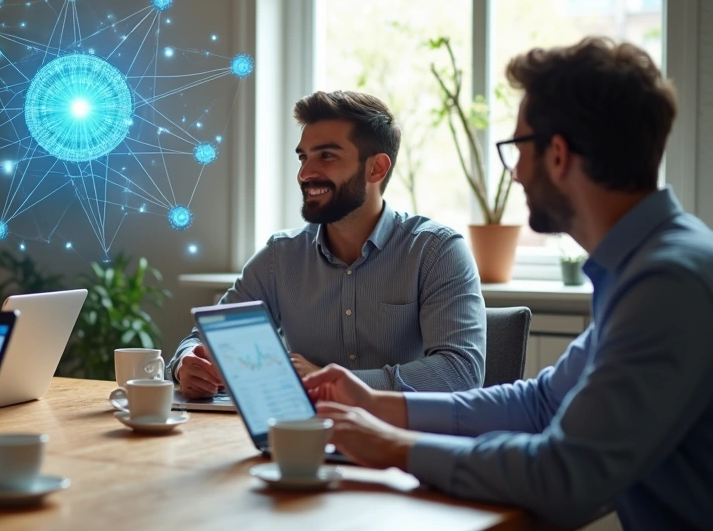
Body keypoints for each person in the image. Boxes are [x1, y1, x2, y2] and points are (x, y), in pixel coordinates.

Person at [304, 38, 713, 531]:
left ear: (558, 154)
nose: (514, 171)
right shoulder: (653, 264)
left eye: (518, 147)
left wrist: (397, 447)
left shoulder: (668, 282)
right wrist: (379, 405)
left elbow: (565, 475)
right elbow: (542, 404)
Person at [172, 91, 486, 396]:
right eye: (303, 157)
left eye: (327, 156)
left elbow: (459, 372)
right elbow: (205, 338)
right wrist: (187, 363)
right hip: (303, 438)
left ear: (376, 168)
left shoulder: (437, 252)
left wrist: (331, 382)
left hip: (401, 442)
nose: (305, 173)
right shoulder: (280, 257)